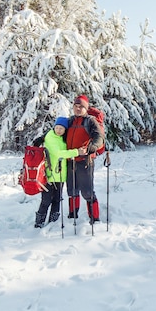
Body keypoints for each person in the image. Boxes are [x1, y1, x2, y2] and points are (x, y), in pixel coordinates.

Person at [32, 116, 87, 228]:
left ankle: (53, 221)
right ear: (54, 127)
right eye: (57, 127)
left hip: (60, 176)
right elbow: (58, 153)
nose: (59, 130)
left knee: (57, 199)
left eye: (61, 128)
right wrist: (77, 152)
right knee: (46, 200)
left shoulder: (62, 138)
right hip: (49, 175)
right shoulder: (50, 137)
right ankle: (39, 223)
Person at [65, 94, 105, 224]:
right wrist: (43, 138)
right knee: (71, 190)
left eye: (81, 106)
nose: (77, 109)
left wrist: (94, 146)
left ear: (86, 108)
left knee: (87, 191)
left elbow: (99, 137)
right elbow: (57, 131)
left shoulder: (90, 121)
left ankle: (95, 217)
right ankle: (72, 215)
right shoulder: (70, 121)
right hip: (70, 160)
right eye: (75, 106)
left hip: (85, 161)